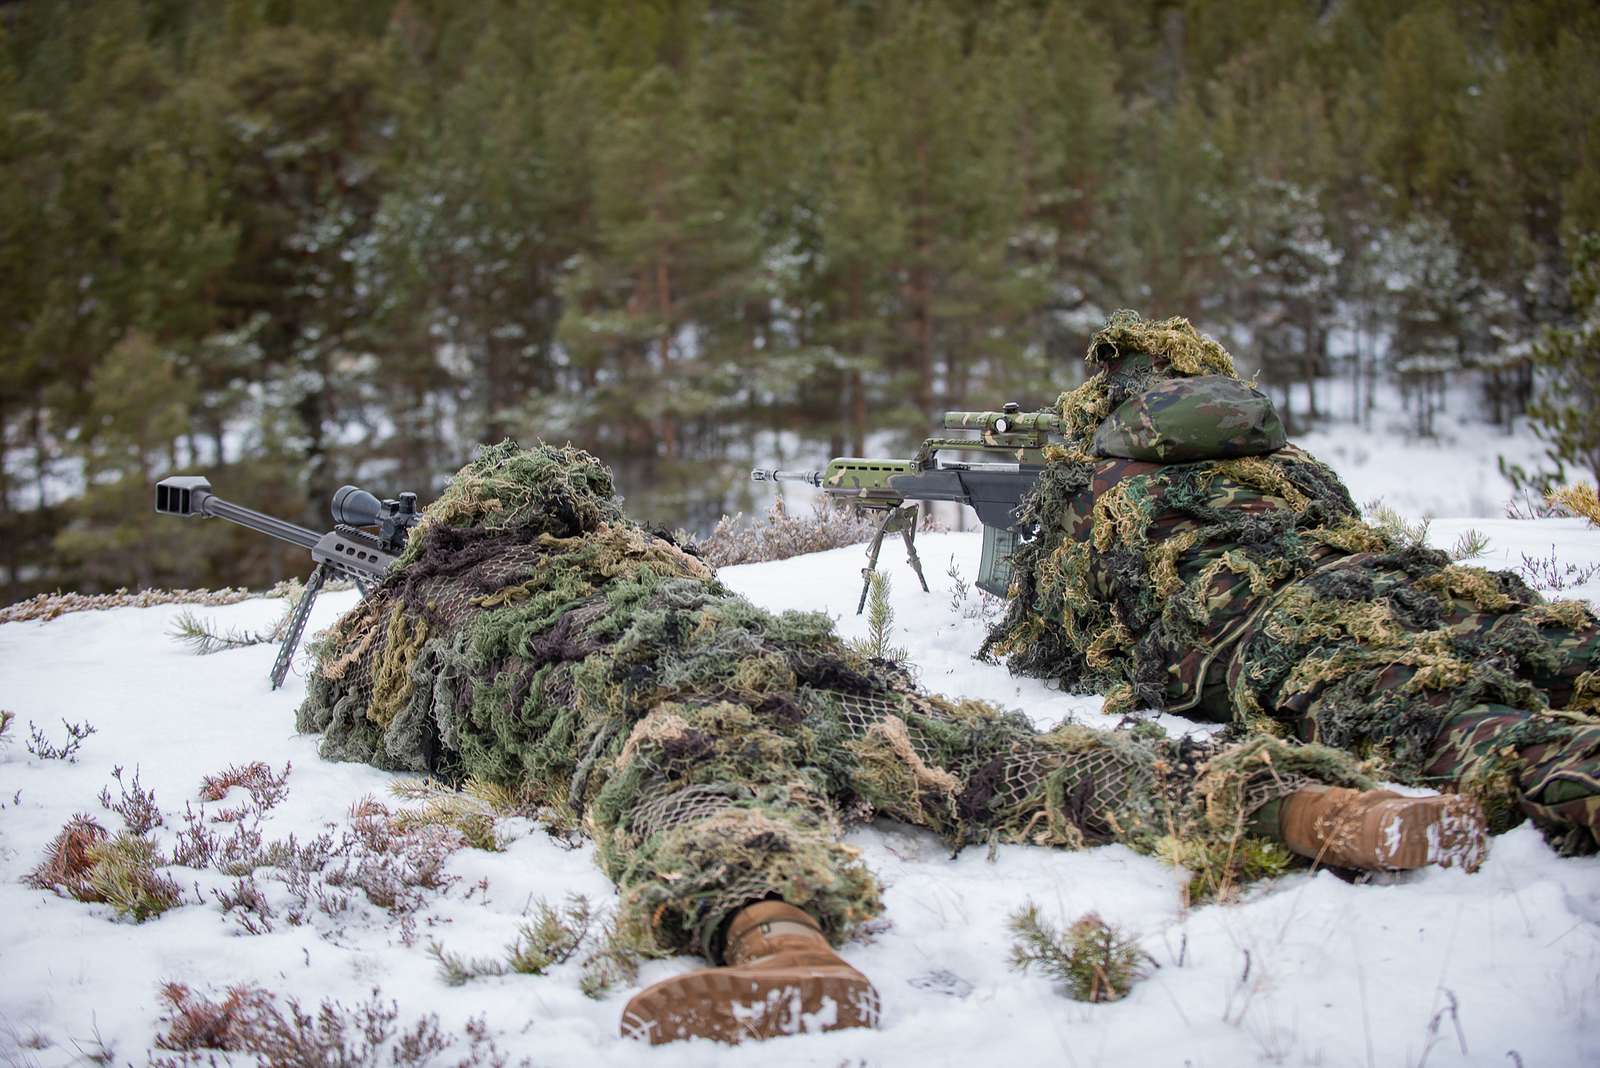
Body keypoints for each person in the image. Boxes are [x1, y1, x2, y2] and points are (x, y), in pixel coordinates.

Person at [298, 439, 1485, 1047]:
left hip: (656, 697)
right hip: (818, 677)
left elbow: (374, 716)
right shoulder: (641, 556)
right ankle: (1318, 810)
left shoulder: (442, 599)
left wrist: (392, 603)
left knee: (696, 787)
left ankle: (781, 951)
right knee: (1016, 759)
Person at [986, 310, 1600, 855]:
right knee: (1516, 634)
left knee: (1403, 705)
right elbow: (1344, 523)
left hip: (1254, 630)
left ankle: (1566, 767)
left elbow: (1063, 630)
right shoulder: (1287, 459)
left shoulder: (1099, 482)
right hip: (1374, 578)